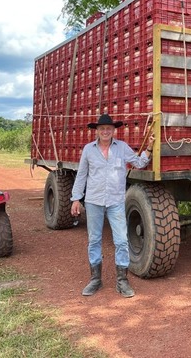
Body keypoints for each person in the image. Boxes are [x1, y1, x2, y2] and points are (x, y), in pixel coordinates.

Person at [70, 114, 154, 297]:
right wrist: (76, 199)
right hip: (93, 201)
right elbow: (82, 175)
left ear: (114, 130)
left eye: (109, 128)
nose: (105, 131)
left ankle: (122, 281)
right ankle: (95, 279)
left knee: (121, 241)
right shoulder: (88, 150)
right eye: (102, 129)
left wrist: (149, 148)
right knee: (94, 240)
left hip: (116, 201)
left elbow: (139, 162)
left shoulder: (122, 147)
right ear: (97, 131)